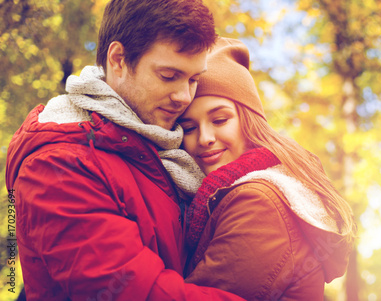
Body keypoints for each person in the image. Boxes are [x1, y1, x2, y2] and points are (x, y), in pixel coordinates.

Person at [5, 1, 245, 300]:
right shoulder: (58, 164)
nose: (184, 96)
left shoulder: (167, 148)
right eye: (168, 76)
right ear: (118, 59)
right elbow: (135, 292)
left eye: (194, 80)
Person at [178, 37, 356, 300]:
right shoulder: (225, 195)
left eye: (219, 119)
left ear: (248, 121)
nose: (204, 137)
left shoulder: (258, 203)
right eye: (189, 128)